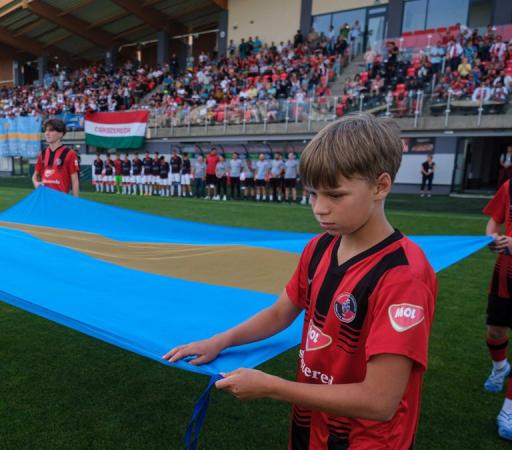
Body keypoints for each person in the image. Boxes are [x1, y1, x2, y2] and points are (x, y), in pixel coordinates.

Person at [163, 114, 436, 449]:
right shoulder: (319, 247)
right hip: (311, 425)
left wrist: (272, 386)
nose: (320, 209)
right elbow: (281, 313)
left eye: (335, 196)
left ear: (380, 186)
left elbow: (380, 402)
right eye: (312, 194)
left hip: (366, 440)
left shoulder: (403, 275)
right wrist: (221, 340)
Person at [482, 175, 512, 440]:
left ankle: (509, 409)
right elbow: (494, 219)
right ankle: (501, 368)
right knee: (495, 331)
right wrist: (492, 237)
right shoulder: (509, 186)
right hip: (505, 275)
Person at [31, 119, 79, 196]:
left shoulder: (70, 153)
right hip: (45, 199)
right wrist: (36, 183)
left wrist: (75, 202)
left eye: (51, 130)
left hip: (61, 200)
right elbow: (34, 176)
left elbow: (75, 181)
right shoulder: (42, 154)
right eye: (46, 130)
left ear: (61, 134)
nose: (47, 133)